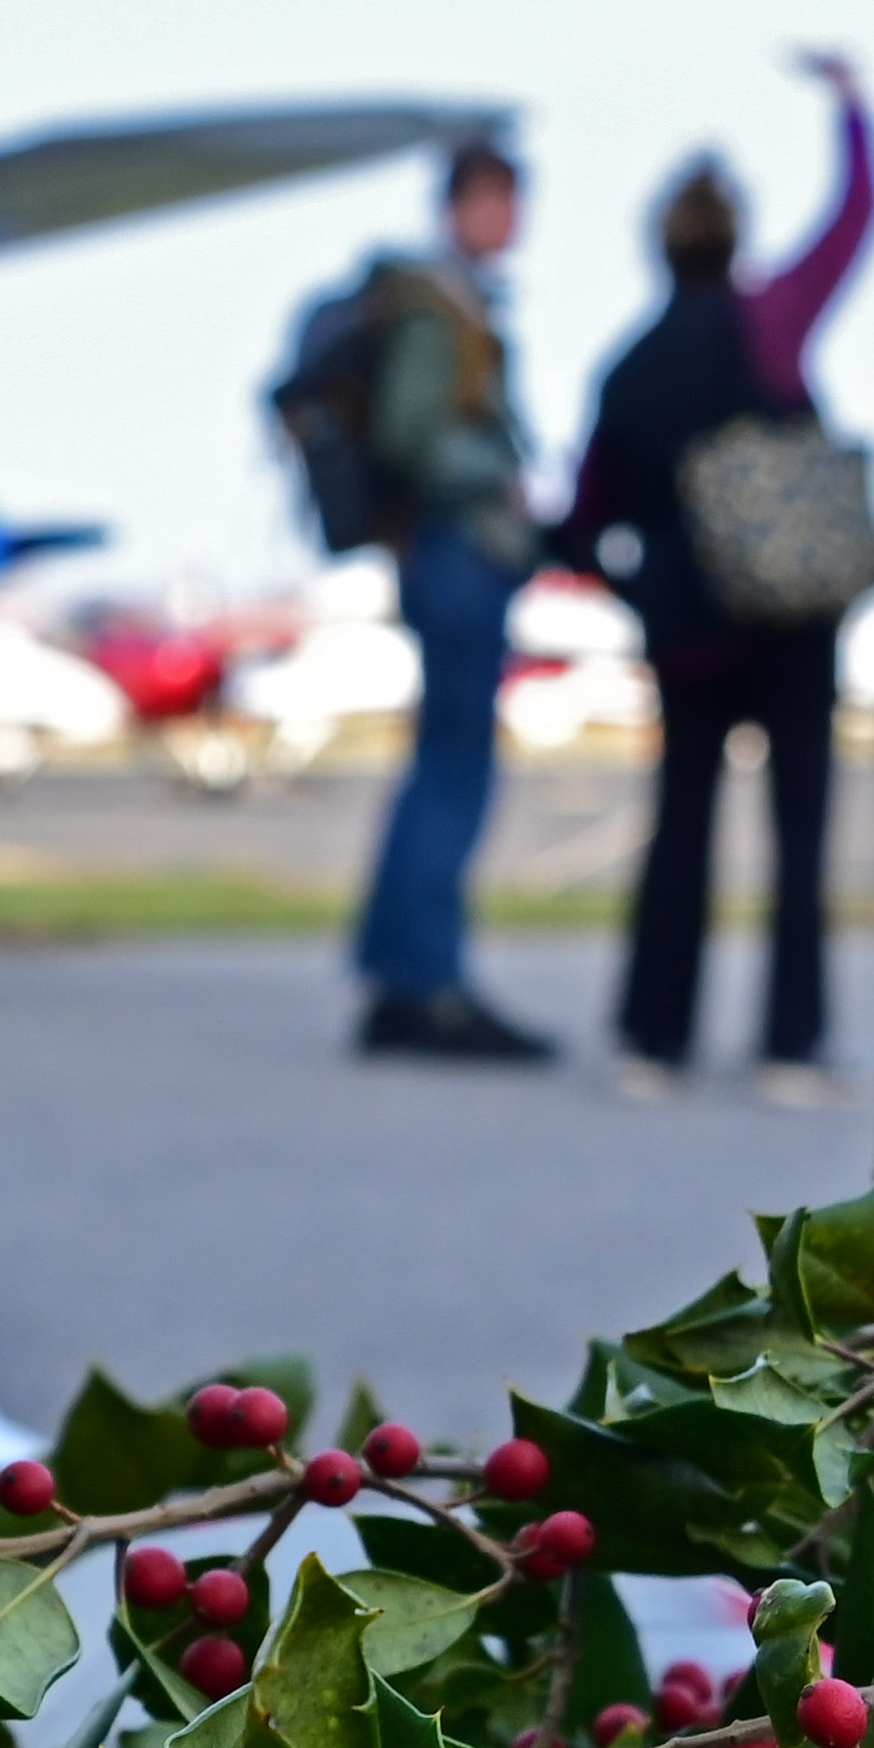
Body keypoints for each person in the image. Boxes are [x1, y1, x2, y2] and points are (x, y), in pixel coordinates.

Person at [563, 50, 874, 1098]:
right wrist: (850, 105)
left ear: (657, 248)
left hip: (690, 637)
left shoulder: (626, 367)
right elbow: (855, 218)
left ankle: (651, 1040)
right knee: (798, 837)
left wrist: (644, 588)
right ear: (735, 237)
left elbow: (586, 523)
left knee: (681, 832)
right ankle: (790, 1047)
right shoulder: (773, 319)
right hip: (790, 625)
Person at [335, 133, 551, 1064]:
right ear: (459, 207)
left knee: (440, 762)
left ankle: (399, 975)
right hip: (457, 552)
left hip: (447, 554)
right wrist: (499, 484)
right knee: (455, 771)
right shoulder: (439, 308)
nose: (510, 222)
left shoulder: (455, 302)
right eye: (496, 202)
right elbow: (410, 436)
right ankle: (431, 984)